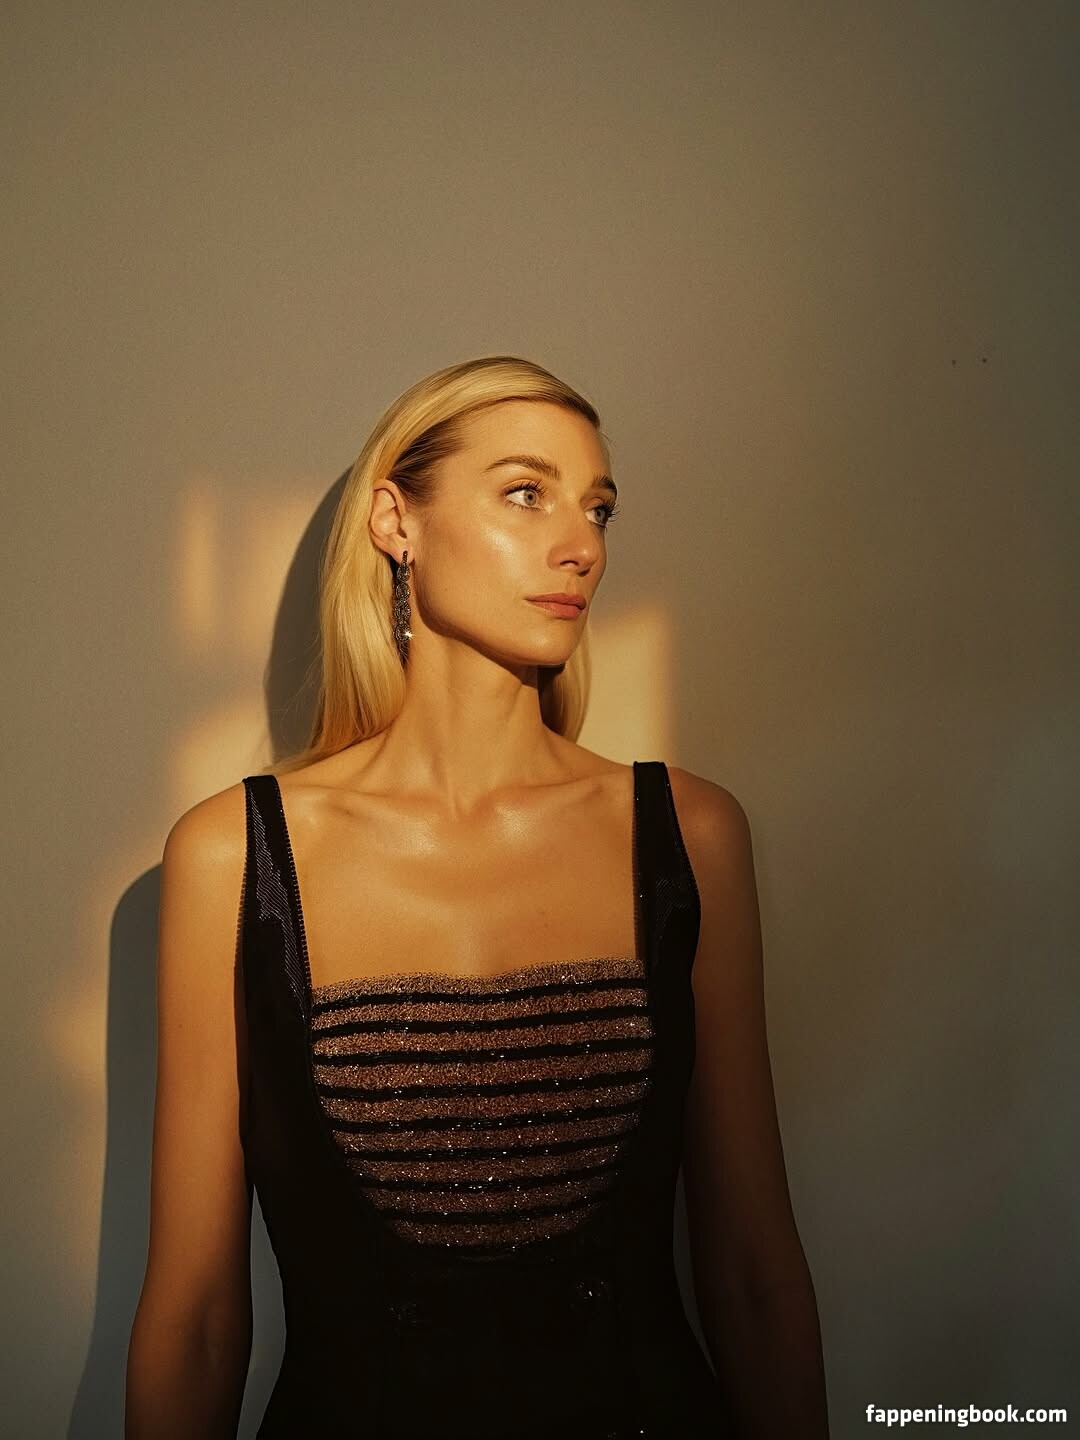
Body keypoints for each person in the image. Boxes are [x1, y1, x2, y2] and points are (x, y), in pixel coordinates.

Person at [126, 355, 830, 1438]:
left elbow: (752, 1272)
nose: (582, 544)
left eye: (598, 507)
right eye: (526, 493)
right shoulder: (235, 856)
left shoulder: (688, 836)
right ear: (395, 522)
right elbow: (196, 1324)